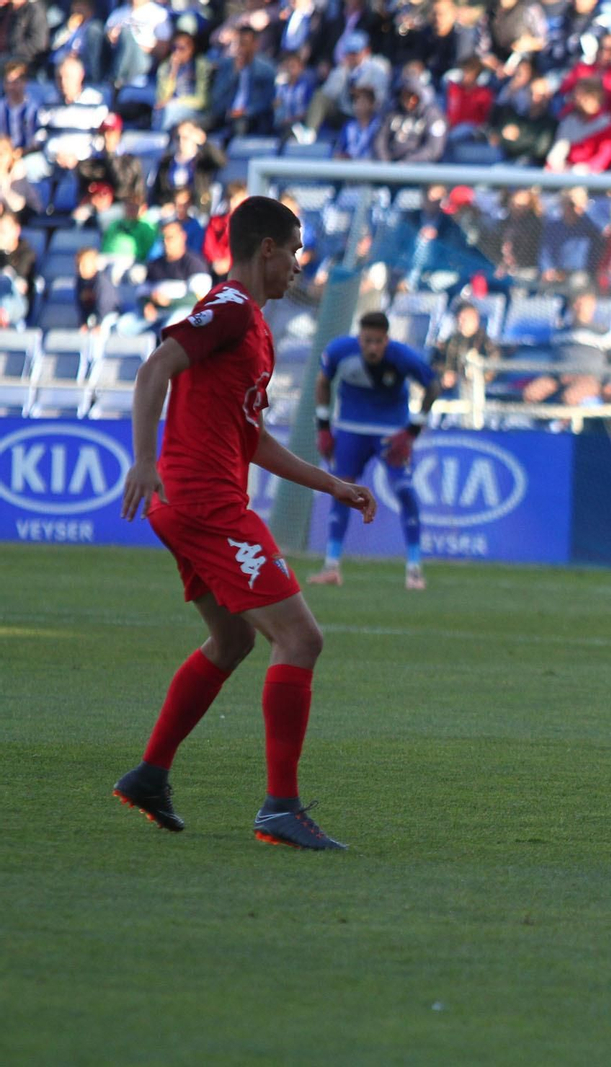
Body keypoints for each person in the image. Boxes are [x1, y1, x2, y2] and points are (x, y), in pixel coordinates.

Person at [112, 196, 376, 851]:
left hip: (193, 503)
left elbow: (250, 438)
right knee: (301, 638)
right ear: (267, 249)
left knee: (232, 641)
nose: (298, 266)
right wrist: (143, 458)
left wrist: (331, 484)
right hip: (205, 503)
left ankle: (149, 775)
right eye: (295, 252)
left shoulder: (252, 326)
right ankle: (280, 807)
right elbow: (155, 367)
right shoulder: (229, 308)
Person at [308, 311, 440, 591]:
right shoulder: (339, 351)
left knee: (404, 490)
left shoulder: (403, 356)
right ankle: (331, 566)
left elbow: (433, 386)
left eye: (378, 342)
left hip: (391, 432)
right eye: (367, 341)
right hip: (351, 428)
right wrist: (323, 427)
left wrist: (412, 431)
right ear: (359, 338)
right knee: (342, 490)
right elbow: (322, 382)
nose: (372, 347)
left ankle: (414, 569)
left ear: (386, 340)